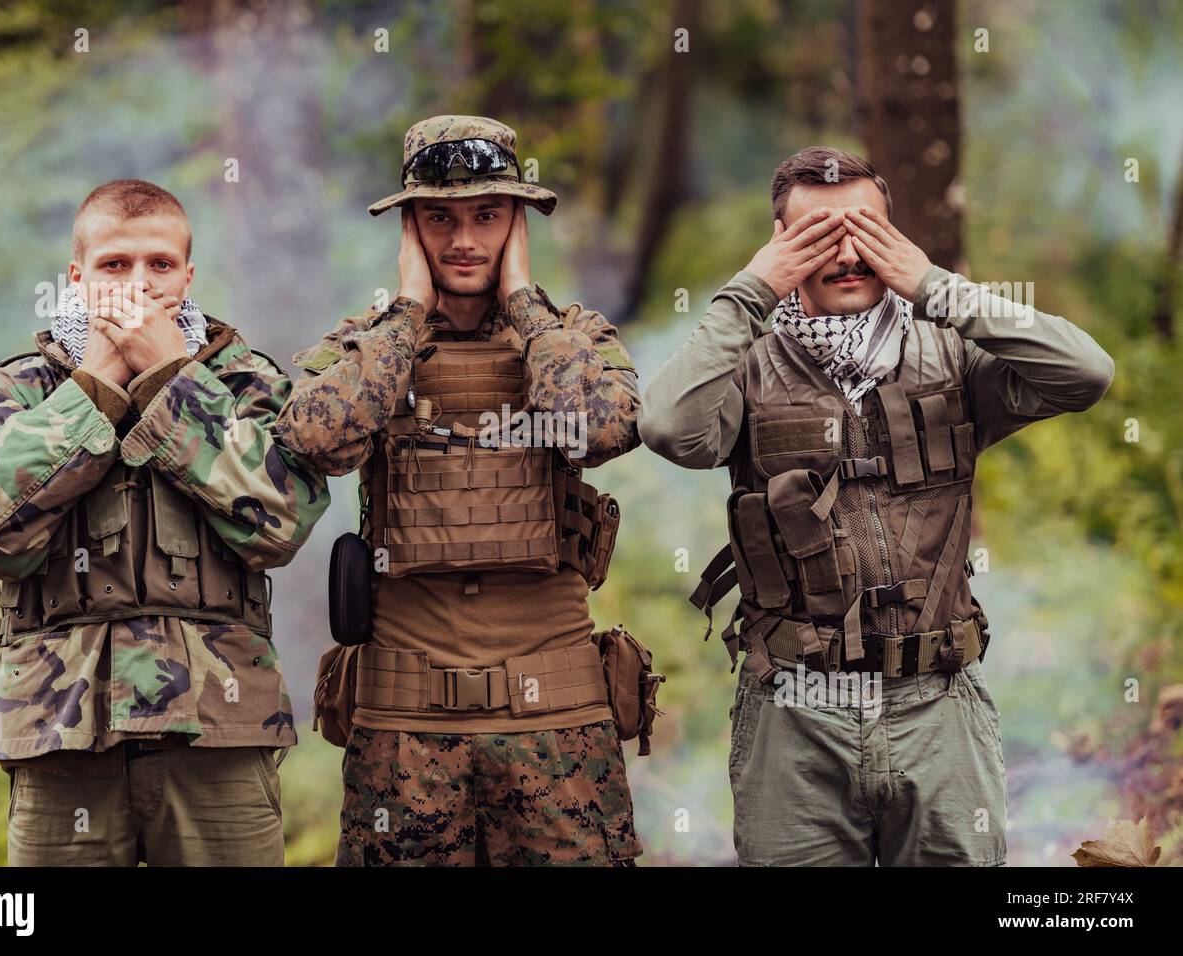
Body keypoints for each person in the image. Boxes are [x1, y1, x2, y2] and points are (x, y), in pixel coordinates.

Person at [639, 146, 1114, 866]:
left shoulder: (952, 356)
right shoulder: (746, 369)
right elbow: (669, 428)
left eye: (866, 230)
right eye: (820, 235)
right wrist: (747, 296)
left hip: (938, 706)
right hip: (794, 714)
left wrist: (934, 285)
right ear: (781, 249)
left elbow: (1086, 372)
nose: (847, 253)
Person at [276, 115, 646, 866]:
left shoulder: (569, 336)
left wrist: (523, 302)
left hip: (558, 723)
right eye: (439, 218)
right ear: (409, 227)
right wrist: (407, 313)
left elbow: (601, 430)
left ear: (519, 221)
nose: (465, 239)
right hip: (404, 731)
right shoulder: (368, 348)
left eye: (488, 215)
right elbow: (312, 439)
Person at [0, 179, 329, 866]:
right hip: (60, 735)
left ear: (188, 275)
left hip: (219, 734)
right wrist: (92, 391)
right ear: (77, 277)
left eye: (160, 265)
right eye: (115, 265)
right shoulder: (22, 387)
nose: (139, 285)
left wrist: (168, 382)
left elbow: (283, 519)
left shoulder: (243, 383)